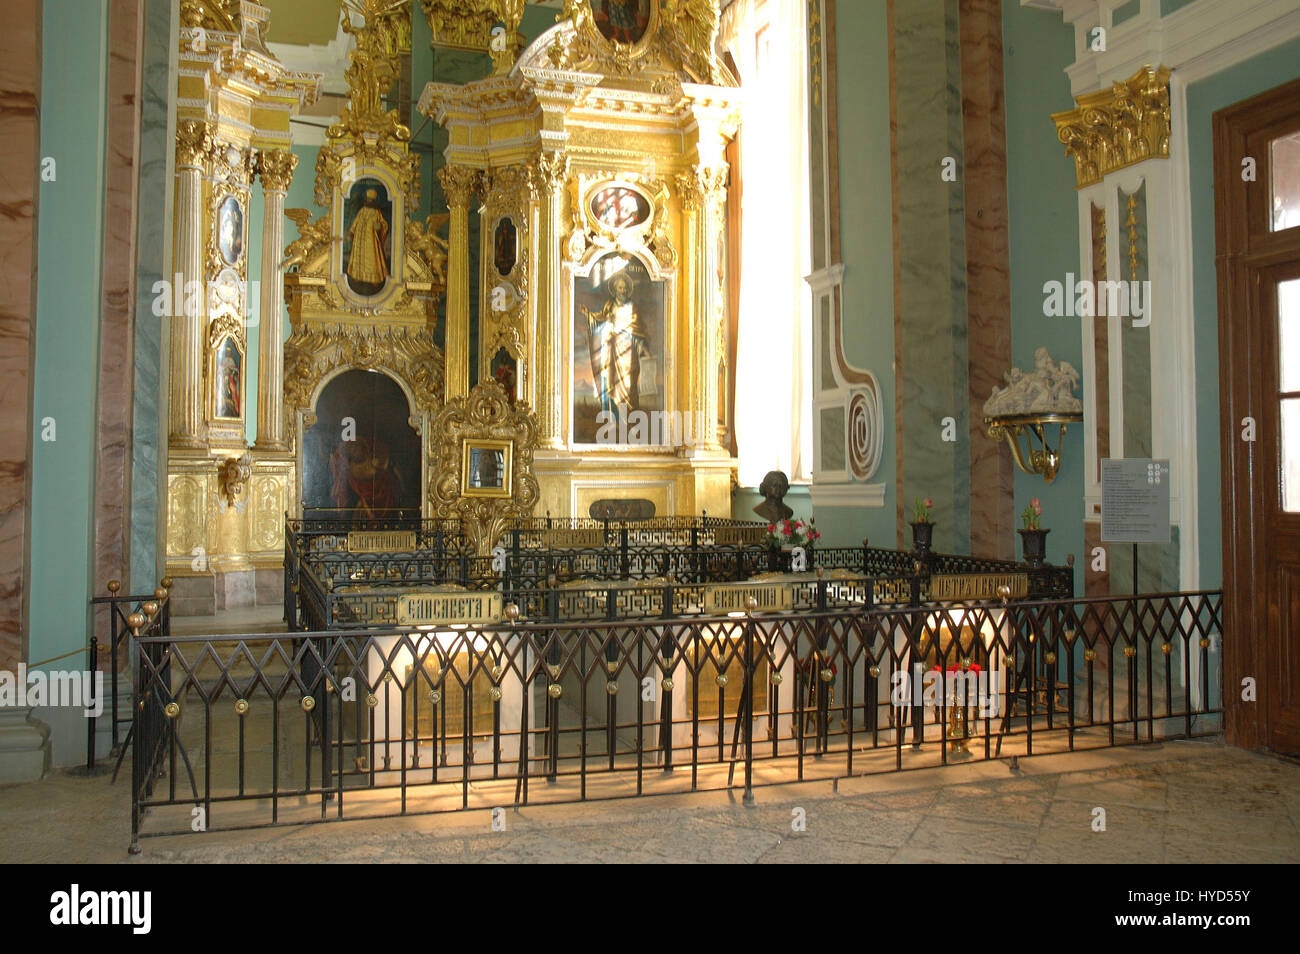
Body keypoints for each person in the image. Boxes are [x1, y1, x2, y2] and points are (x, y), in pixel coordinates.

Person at [583, 270, 650, 425]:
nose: (623, 291)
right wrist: (589, 315)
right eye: (620, 288)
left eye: (625, 287)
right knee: (611, 383)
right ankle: (612, 418)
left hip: (627, 353)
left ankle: (629, 418)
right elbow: (599, 319)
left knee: (627, 384)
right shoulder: (609, 305)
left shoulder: (633, 307)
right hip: (611, 351)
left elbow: (638, 331)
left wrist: (642, 348)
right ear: (615, 289)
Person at [346, 187, 390, 292]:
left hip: (371, 240)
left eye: (371, 200)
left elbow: (384, 224)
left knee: (371, 257)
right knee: (359, 256)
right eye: (368, 199)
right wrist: (352, 231)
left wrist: (379, 226)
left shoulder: (376, 212)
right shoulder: (362, 210)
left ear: (373, 201)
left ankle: (374, 279)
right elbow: (356, 221)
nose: (369, 201)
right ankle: (357, 276)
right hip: (359, 238)